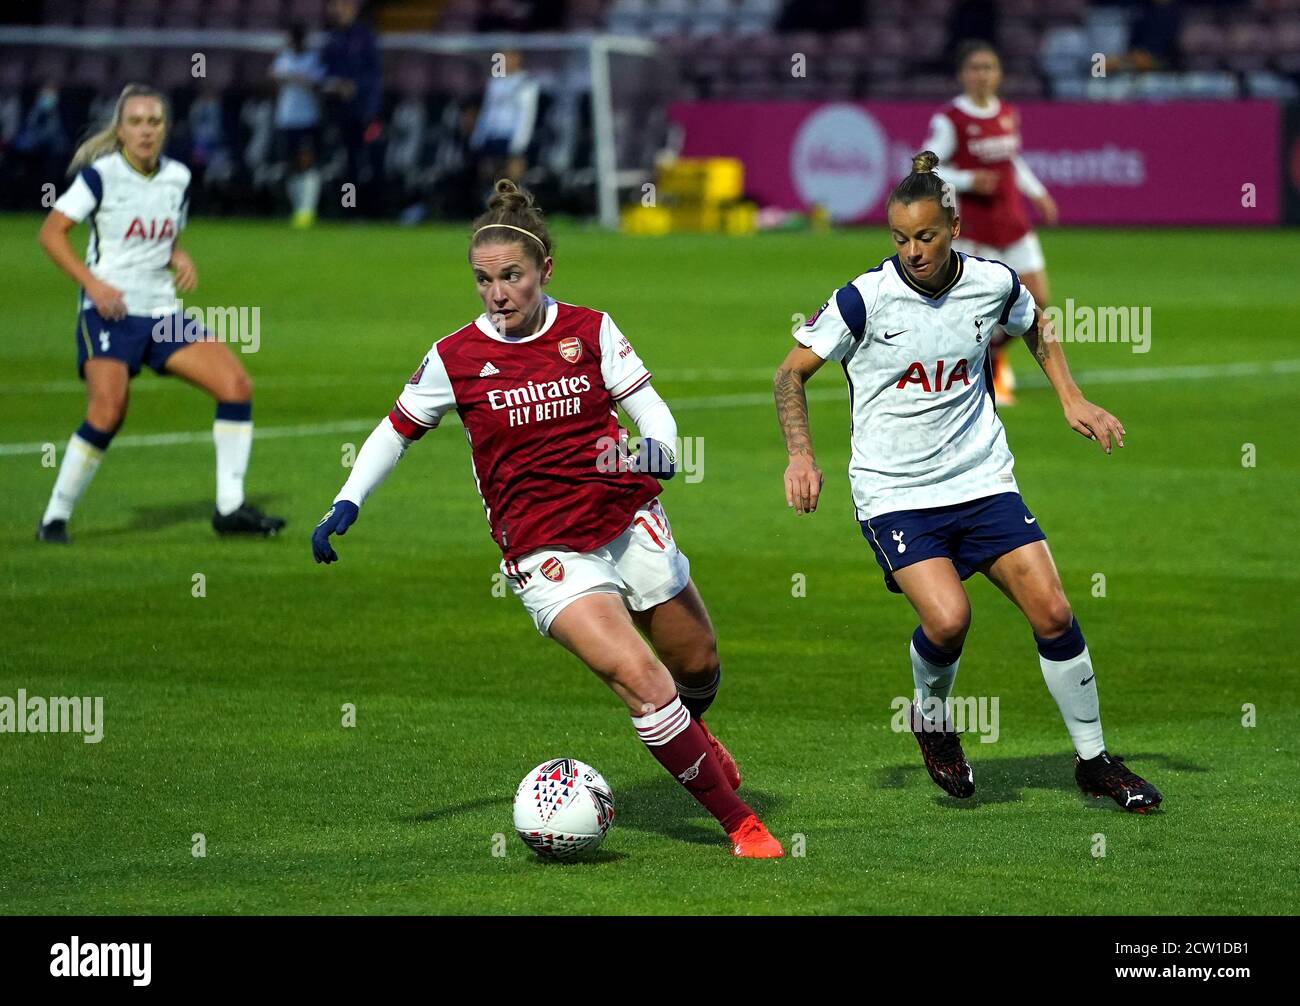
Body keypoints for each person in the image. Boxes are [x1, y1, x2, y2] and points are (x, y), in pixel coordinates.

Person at [312, 179, 783, 858]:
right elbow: (396, 429)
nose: (498, 293)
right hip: (545, 553)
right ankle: (741, 823)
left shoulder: (588, 329)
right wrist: (347, 500)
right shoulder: (456, 358)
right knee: (645, 682)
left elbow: (650, 408)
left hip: (626, 521)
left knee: (698, 666)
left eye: (512, 277)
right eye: (483, 280)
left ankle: (692, 734)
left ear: (544, 271)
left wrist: (657, 449)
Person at [772, 151, 1162, 814]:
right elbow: (789, 375)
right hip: (895, 492)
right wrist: (801, 457)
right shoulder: (863, 299)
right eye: (900, 239)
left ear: (952, 227)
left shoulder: (992, 282)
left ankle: (1095, 763)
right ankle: (930, 718)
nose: (913, 252)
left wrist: (1071, 397)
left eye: (925, 236)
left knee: (1055, 611)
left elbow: (1036, 321)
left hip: (981, 478)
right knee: (950, 620)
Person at [36, 83, 285, 543]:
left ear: (165, 128)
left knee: (235, 386)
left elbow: (165, 234)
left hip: (164, 313)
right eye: (136, 122)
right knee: (108, 412)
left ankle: (229, 509)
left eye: (154, 122)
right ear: (121, 129)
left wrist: (178, 256)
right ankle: (54, 517)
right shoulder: (100, 176)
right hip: (110, 313)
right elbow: (52, 233)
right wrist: (92, 284)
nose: (146, 131)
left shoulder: (178, 178)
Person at [922, 40, 1057, 405]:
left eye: (989, 68)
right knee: (971, 306)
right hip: (974, 226)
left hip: (1011, 219)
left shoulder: (1007, 112)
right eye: (975, 68)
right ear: (962, 74)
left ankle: (995, 350)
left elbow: (1011, 160)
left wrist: (1038, 192)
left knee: (1039, 299)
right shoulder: (951, 120)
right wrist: (968, 180)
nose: (982, 75)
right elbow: (925, 166)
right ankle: (959, 375)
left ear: (999, 74)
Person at [271, 22, 325, 228]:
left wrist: (300, 79)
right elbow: (273, 80)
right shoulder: (283, 58)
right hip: (285, 118)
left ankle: (307, 210)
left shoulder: (313, 59)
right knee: (291, 165)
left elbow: (318, 84)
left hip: (307, 118)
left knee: (307, 162)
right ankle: (297, 209)